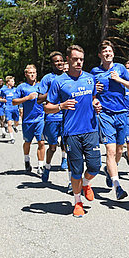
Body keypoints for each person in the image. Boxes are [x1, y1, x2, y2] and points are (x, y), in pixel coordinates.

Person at [45, 45, 102, 217]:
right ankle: (77, 201)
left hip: (91, 129)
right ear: (68, 60)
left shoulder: (90, 79)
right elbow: (47, 108)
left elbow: (93, 99)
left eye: (81, 59)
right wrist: (61, 106)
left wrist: (96, 104)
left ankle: (86, 183)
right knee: (76, 171)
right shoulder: (59, 82)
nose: (79, 62)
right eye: (75, 59)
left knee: (95, 166)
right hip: (71, 133)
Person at [92, 40, 129, 200]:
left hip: (122, 113)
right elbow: (91, 94)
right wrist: (94, 93)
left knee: (119, 150)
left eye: (110, 51)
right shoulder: (95, 71)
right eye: (104, 51)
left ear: (113, 53)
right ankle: (118, 186)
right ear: (100, 55)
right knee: (110, 151)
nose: (108, 53)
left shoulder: (120, 68)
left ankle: (110, 170)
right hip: (105, 114)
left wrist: (120, 80)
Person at [38, 51, 70, 184]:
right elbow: (39, 99)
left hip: (67, 116)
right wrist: (51, 90)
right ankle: (47, 167)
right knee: (52, 147)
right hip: (52, 117)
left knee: (69, 147)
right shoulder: (47, 78)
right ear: (52, 64)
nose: (59, 63)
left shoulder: (69, 77)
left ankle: (70, 182)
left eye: (61, 61)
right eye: (56, 61)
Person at [13, 65, 46, 173]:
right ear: (26, 74)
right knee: (28, 142)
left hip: (40, 119)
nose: (32, 74)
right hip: (27, 120)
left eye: (34, 72)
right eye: (30, 73)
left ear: (36, 74)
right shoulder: (22, 87)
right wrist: (27, 98)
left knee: (41, 142)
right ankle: (26, 160)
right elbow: (14, 101)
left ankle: (40, 166)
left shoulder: (41, 86)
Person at [0, 76, 19, 143]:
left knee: (17, 123)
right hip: (8, 109)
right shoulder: (4, 90)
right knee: (9, 124)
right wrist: (2, 100)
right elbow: (0, 98)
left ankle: (14, 126)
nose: (14, 82)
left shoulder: (16, 90)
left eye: (14, 81)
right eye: (12, 81)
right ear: (8, 82)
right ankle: (12, 138)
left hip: (15, 108)